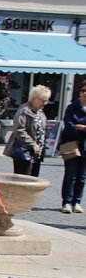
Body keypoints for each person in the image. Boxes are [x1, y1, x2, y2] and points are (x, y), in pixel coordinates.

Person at [3, 85, 50, 177]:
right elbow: (19, 130)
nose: (45, 103)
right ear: (34, 99)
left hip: (36, 153)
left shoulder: (40, 112)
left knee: (34, 179)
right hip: (24, 151)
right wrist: (33, 144)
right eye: (43, 100)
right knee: (23, 179)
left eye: (46, 100)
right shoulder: (24, 111)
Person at [60, 81, 86, 213]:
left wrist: (82, 127)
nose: (85, 93)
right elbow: (69, 127)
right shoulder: (72, 107)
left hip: (85, 146)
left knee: (82, 177)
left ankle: (77, 202)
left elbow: (78, 126)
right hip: (72, 145)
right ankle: (67, 202)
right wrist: (79, 128)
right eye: (83, 90)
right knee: (70, 174)